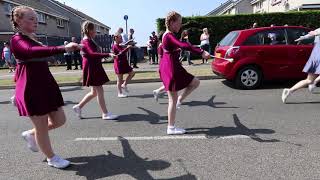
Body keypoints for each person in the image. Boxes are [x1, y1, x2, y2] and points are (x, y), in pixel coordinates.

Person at [10, 6, 80, 169]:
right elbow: (31, 52)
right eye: (31, 18)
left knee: (60, 120)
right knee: (41, 125)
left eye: (36, 18)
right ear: (19, 21)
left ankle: (30, 134)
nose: (36, 21)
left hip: (45, 84)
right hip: (31, 87)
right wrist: (63, 48)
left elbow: (37, 55)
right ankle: (51, 158)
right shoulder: (17, 40)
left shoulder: (32, 37)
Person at [160, 11, 210, 135]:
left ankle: (180, 101)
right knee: (172, 99)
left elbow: (177, 47)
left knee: (195, 82)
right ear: (172, 22)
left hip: (172, 66)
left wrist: (192, 48)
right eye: (179, 23)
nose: (180, 25)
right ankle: (171, 128)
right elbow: (182, 45)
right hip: (171, 68)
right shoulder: (168, 36)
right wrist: (201, 52)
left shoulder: (169, 35)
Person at [72, 21, 119, 120]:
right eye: (94, 30)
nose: (96, 32)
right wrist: (108, 54)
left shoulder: (89, 40)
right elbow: (92, 54)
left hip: (93, 66)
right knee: (99, 90)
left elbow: (92, 53)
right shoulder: (86, 41)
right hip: (92, 67)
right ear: (89, 30)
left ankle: (78, 107)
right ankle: (105, 113)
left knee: (94, 92)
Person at [282, 28, 320, 103]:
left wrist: (302, 37)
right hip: (318, 57)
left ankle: (289, 91)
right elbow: (313, 33)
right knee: (310, 81)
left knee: (309, 80)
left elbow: (310, 35)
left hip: (315, 57)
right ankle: (315, 82)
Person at [112, 32, 136, 98]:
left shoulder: (120, 45)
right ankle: (119, 93)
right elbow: (120, 53)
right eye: (120, 38)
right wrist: (127, 48)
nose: (122, 39)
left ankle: (124, 84)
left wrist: (129, 44)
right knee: (119, 79)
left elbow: (124, 49)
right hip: (119, 64)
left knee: (132, 73)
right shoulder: (115, 46)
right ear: (116, 38)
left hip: (124, 63)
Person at [153, 32, 166, 102]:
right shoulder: (161, 46)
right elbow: (160, 57)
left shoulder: (162, 45)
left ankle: (158, 92)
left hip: (164, 66)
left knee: (170, 84)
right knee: (170, 84)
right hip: (164, 66)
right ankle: (157, 91)